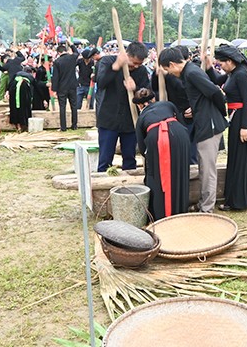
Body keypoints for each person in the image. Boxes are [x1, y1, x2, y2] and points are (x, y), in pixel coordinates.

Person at [159, 47, 227, 213]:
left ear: (173, 64)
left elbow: (215, 92)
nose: (169, 73)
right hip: (203, 121)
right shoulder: (188, 72)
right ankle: (204, 203)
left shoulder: (191, 73)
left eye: (167, 70)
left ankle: (207, 208)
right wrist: (196, 108)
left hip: (208, 124)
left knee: (207, 169)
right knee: (203, 167)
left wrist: (218, 113)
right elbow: (203, 95)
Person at [208, 45, 247, 211]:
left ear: (230, 61)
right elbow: (216, 80)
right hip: (235, 119)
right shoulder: (231, 74)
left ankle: (239, 200)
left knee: (241, 159)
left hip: (242, 120)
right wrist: (208, 65)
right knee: (235, 158)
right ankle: (234, 198)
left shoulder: (241, 75)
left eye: (221, 64)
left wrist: (245, 127)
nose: (220, 67)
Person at [134, 88, 191, 219]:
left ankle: (161, 214)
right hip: (180, 134)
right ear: (153, 99)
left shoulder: (142, 117)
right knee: (180, 170)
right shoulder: (167, 104)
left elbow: (142, 149)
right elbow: (181, 121)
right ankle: (180, 210)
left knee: (157, 176)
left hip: (159, 139)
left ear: (139, 105)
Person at [96, 42, 150, 172]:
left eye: (139, 64)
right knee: (105, 158)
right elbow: (101, 82)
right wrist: (116, 66)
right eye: (133, 63)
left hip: (130, 120)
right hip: (109, 118)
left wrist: (136, 89)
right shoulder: (107, 61)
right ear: (127, 55)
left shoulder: (141, 70)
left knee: (130, 157)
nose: (135, 66)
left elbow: (147, 93)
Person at [52, 44, 80, 131]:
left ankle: (63, 127)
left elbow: (55, 77)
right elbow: (77, 52)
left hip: (62, 87)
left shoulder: (57, 62)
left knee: (62, 107)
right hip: (72, 85)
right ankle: (74, 125)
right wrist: (71, 44)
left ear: (58, 52)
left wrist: (54, 90)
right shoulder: (72, 58)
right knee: (74, 106)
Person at [8, 66, 35, 132]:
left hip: (14, 88)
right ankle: (23, 124)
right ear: (30, 72)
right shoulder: (30, 77)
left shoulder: (16, 74)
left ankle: (17, 124)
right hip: (23, 89)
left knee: (14, 106)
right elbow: (35, 87)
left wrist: (7, 91)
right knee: (24, 107)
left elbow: (10, 84)